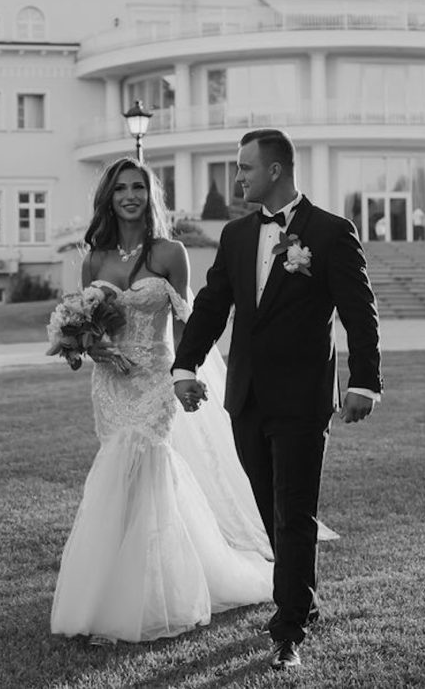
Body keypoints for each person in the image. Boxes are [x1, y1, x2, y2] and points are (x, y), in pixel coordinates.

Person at [171, 129, 383, 671]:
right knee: (270, 509)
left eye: (245, 167)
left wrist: (364, 382)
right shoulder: (237, 235)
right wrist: (185, 365)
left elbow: (359, 312)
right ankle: (301, 599)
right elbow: (212, 304)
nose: (237, 177)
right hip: (246, 396)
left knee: (294, 513)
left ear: (275, 170)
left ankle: (288, 631)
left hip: (302, 398)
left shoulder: (331, 232)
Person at [50, 157, 277, 645]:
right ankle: (107, 592)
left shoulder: (171, 252)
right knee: (118, 477)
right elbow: (86, 327)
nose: (129, 196)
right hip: (111, 384)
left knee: (147, 465)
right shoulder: (94, 259)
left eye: (137, 187)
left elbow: (187, 322)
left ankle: (156, 596)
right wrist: (91, 347)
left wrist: (183, 375)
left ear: (150, 195)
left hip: (155, 378)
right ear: (108, 198)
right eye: (120, 189)